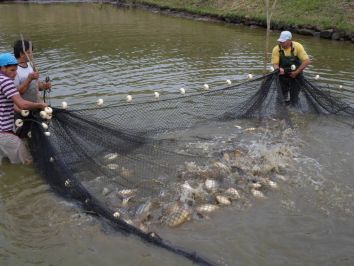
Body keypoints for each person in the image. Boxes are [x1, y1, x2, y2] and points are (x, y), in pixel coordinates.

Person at [0, 53, 47, 164]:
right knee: (28, 162)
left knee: (6, 164)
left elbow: (7, 103)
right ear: (2, 68)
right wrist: (40, 105)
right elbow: (22, 104)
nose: (15, 74)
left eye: (16, 70)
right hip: (4, 133)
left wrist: (20, 111)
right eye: (12, 70)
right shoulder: (5, 81)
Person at [13, 40, 51, 138]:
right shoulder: (14, 70)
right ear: (22, 53)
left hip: (36, 107)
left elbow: (36, 85)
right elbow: (16, 92)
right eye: (29, 52)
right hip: (23, 111)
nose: (31, 54)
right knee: (24, 137)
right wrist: (29, 79)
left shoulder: (30, 65)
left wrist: (44, 86)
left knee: (40, 135)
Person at [271, 31, 310, 105]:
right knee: (281, 97)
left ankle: (294, 112)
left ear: (289, 41)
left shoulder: (297, 47)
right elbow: (275, 64)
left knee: (294, 98)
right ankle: (281, 112)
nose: (281, 43)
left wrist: (296, 72)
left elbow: (306, 61)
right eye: (280, 41)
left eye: (283, 42)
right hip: (282, 77)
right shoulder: (276, 49)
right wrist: (278, 69)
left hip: (296, 76)